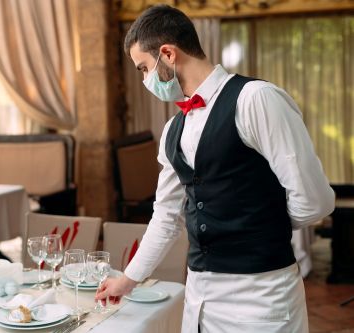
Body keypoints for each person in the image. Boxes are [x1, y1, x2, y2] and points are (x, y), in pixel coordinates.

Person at [95, 4, 335, 332]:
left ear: (167, 54)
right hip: (200, 297)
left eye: (143, 68)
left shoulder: (257, 99)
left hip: (261, 297)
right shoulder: (172, 130)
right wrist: (128, 279)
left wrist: (260, 225)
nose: (144, 80)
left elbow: (315, 201)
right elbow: (165, 217)